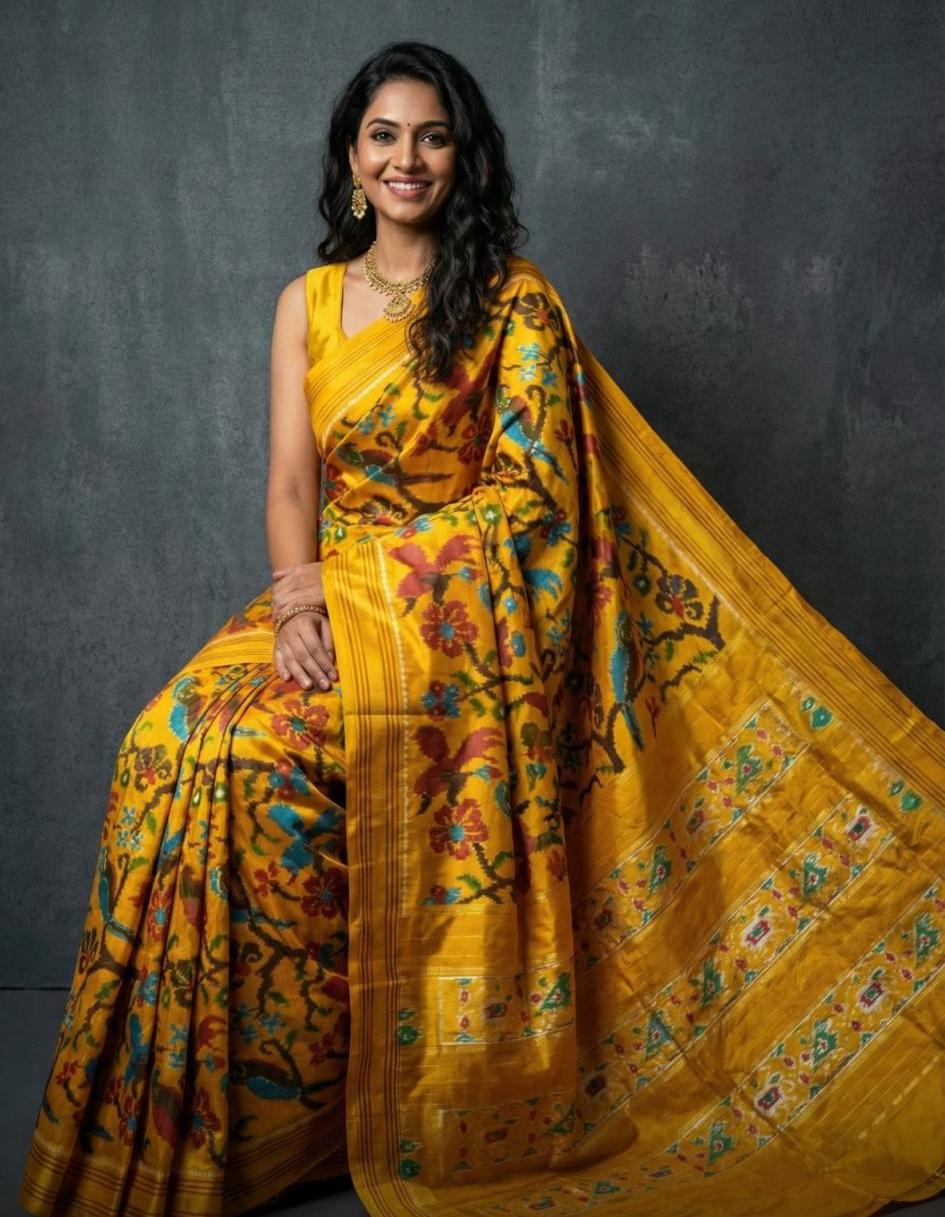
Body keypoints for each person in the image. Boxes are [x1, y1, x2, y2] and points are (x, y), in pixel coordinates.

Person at [19, 38, 945, 1217]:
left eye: (433, 136)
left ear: (464, 159)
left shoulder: (514, 302)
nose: (406, 159)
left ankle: (362, 1097)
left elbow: (534, 501)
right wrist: (300, 600)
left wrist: (380, 597)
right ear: (350, 157)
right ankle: (249, 1120)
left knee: (257, 756)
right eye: (384, 136)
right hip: (328, 597)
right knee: (171, 745)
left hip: (459, 632)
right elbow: (291, 484)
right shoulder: (306, 303)